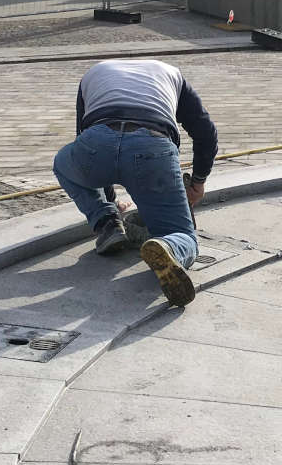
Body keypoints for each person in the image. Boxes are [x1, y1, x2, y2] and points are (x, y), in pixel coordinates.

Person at [53, 59, 218, 307]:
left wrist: (109, 202)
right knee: (185, 236)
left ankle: (107, 225)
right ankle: (169, 246)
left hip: (97, 144)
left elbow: (83, 134)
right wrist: (197, 182)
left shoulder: (94, 73)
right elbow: (205, 132)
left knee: (63, 164)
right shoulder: (173, 75)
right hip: (152, 148)